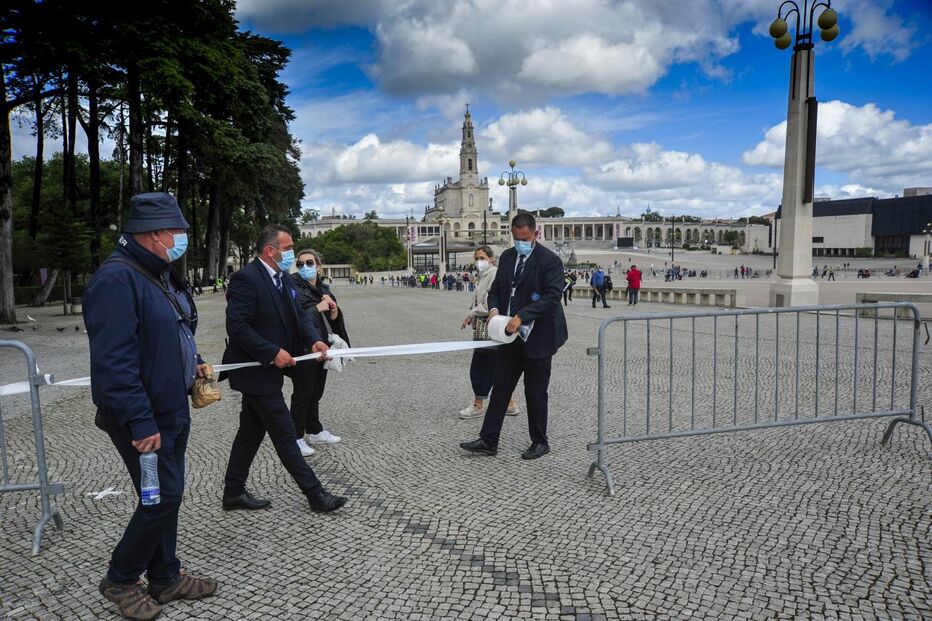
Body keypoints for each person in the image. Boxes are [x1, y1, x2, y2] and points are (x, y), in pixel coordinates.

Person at [84, 192, 216, 620]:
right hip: (144, 418)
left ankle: (166, 577)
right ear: (155, 233)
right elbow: (114, 364)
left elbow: (169, 332)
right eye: (178, 232)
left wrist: (192, 361)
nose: (182, 240)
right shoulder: (116, 280)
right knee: (163, 496)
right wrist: (140, 421)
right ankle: (120, 578)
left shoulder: (156, 273)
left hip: (170, 408)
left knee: (166, 496)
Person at [219, 225, 346, 513]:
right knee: (285, 432)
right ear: (270, 251)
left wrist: (314, 340)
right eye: (288, 249)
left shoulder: (284, 280)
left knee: (250, 433)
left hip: (270, 370)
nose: (291, 254)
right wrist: (272, 352)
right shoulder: (246, 279)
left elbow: (299, 316)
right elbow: (237, 327)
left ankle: (233, 492)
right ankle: (315, 494)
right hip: (254, 371)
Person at [460, 213, 568, 460]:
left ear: (534, 235)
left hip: (538, 337)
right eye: (516, 237)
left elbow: (552, 297)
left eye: (525, 238)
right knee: (501, 388)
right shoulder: (508, 257)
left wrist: (523, 316)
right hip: (510, 336)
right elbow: (498, 289)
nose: (520, 241)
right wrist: (496, 310)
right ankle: (489, 440)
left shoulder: (549, 261)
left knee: (535, 392)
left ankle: (540, 442)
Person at [290, 249, 348, 455]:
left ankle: (314, 429)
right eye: (300, 264)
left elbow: (333, 320)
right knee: (303, 392)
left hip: (324, 345)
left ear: (318, 265)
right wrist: (318, 307)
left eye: (309, 263)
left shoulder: (323, 287)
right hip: (304, 347)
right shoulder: (293, 287)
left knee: (316, 391)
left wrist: (333, 311)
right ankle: (295, 436)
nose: (305, 267)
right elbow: (296, 318)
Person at [459, 246, 519, 420]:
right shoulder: (486, 274)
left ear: (491, 258)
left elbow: (487, 303)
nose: (479, 261)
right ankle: (509, 403)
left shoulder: (493, 274)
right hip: (489, 326)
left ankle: (478, 404)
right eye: (476, 258)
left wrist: (471, 314)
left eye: (482, 257)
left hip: (488, 326)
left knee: (480, 367)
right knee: (495, 367)